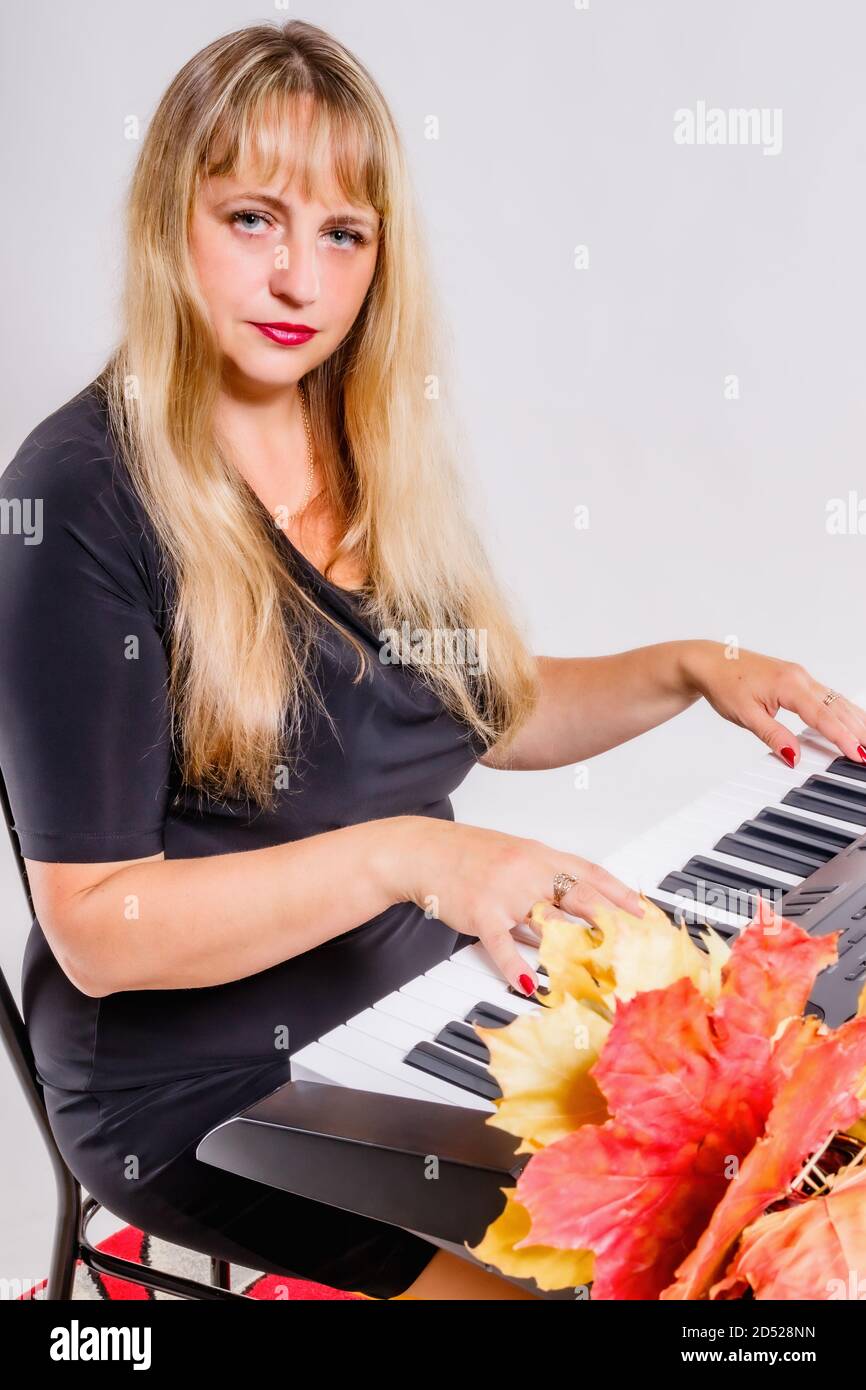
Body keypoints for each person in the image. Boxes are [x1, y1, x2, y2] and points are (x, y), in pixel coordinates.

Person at [2, 19, 864, 1303]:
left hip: (418, 998)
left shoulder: (361, 442)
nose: (298, 278)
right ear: (169, 220)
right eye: (252, 219)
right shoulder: (75, 498)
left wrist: (687, 666)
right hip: (201, 1085)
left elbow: (482, 710)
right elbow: (97, 932)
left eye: (342, 235)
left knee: (769, 1167)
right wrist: (413, 857)